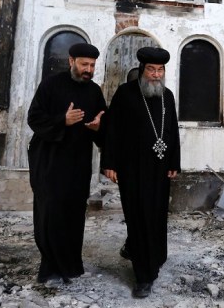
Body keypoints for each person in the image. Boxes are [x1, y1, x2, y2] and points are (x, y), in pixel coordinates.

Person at [101, 46, 180, 299]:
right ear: (142, 70)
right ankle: (143, 277)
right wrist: (110, 163)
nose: (156, 75)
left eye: (160, 70)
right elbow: (112, 130)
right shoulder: (125, 94)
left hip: (159, 167)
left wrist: (174, 163)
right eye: (151, 70)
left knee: (156, 214)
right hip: (132, 167)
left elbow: (173, 131)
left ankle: (151, 254)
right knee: (138, 215)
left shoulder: (167, 96)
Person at [27, 43, 106, 284]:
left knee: (73, 214)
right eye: (84, 64)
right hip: (49, 162)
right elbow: (34, 118)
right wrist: (63, 119)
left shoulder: (94, 91)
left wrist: (98, 128)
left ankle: (71, 265)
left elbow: (103, 125)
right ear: (71, 61)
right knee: (49, 213)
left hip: (78, 164)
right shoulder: (51, 85)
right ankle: (49, 265)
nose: (88, 70)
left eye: (92, 66)